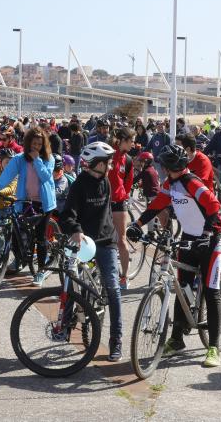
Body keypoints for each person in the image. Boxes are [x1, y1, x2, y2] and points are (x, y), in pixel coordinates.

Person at [126, 144, 221, 368]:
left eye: (163, 166)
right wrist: (137, 224)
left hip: (210, 240)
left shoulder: (193, 182)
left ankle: (213, 347)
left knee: (211, 291)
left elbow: (213, 206)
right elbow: (157, 205)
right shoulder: (171, 184)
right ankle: (177, 338)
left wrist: (208, 233)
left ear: (170, 166)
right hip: (190, 238)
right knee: (181, 287)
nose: (161, 170)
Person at [59, 141, 123, 361]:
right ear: (97, 164)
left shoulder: (106, 181)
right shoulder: (78, 185)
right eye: (108, 162)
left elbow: (106, 215)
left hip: (106, 241)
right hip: (84, 241)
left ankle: (116, 340)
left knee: (113, 289)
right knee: (68, 278)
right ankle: (66, 323)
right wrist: (76, 230)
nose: (111, 166)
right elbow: (67, 215)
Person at [0, 127, 56, 286]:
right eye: (33, 144)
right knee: (21, 234)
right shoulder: (19, 158)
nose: (36, 147)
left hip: (44, 204)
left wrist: (37, 160)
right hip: (25, 202)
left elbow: (46, 176)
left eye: (39, 144)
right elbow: (8, 175)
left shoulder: (49, 158)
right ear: (27, 143)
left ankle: (40, 270)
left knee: (40, 238)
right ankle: (20, 259)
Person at [108, 128, 135, 289]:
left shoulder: (129, 160)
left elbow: (128, 183)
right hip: (103, 202)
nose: (133, 144)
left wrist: (122, 194)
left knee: (122, 240)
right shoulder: (109, 154)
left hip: (119, 203)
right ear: (123, 140)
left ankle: (124, 276)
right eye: (131, 141)